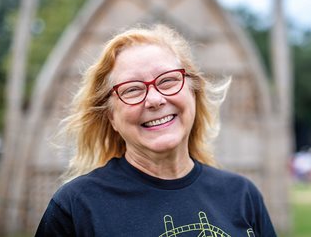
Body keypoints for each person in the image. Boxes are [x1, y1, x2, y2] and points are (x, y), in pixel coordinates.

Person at [35, 24, 277, 236]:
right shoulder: (75, 208)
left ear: (193, 91)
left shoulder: (242, 196)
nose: (154, 99)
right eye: (132, 89)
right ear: (111, 117)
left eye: (168, 81)